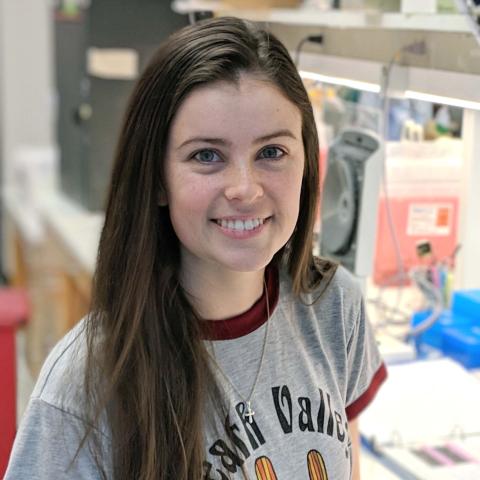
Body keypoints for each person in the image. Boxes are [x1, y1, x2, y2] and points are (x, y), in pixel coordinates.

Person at [5, 16, 386, 480]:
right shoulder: (84, 386)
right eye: (206, 155)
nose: (245, 189)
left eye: (272, 152)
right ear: (158, 180)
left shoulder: (333, 304)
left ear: (306, 162)